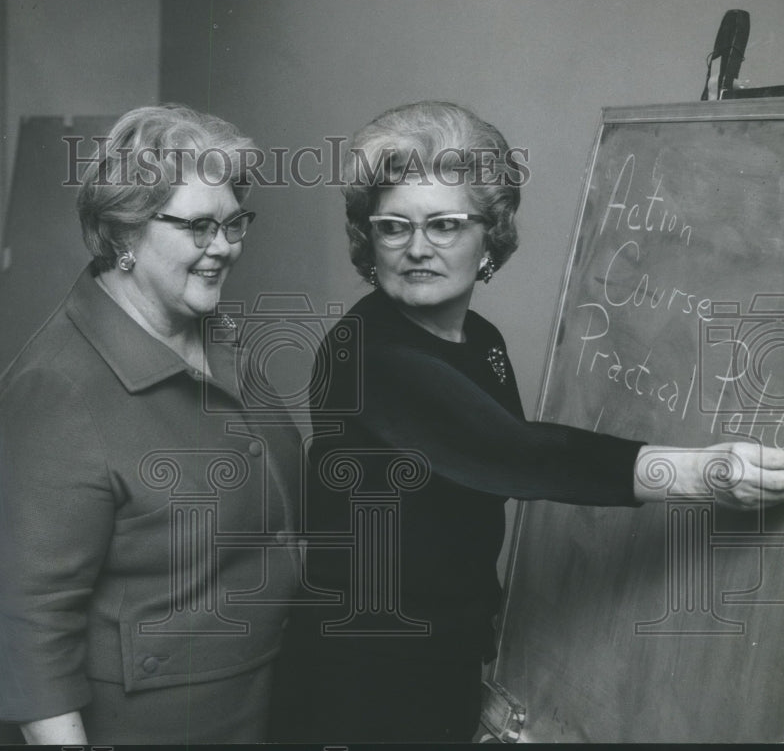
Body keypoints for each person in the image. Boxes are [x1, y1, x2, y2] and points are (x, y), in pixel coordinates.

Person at [268, 100, 784, 743]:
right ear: (368, 241)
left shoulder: (479, 338)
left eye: (446, 225)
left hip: (440, 655)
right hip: (359, 675)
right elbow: (513, 454)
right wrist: (701, 473)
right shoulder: (368, 351)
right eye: (393, 227)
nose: (418, 249)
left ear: (490, 235)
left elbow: (470, 499)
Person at [0, 104, 301, 745]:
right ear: (123, 233)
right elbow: (26, 633)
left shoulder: (217, 337)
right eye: (200, 227)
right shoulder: (53, 393)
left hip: (253, 703)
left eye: (235, 223)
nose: (225, 247)